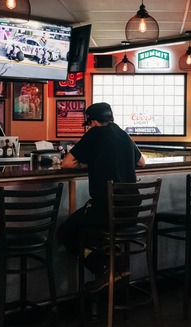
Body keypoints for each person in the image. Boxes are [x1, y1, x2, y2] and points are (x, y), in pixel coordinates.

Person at [57, 102, 145, 292]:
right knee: (92, 232)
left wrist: (90, 163)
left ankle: (104, 269)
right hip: (131, 212)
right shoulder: (122, 133)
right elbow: (141, 162)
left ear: (93, 121)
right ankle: (119, 266)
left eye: (88, 124)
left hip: (107, 211)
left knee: (65, 232)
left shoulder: (94, 134)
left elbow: (67, 163)